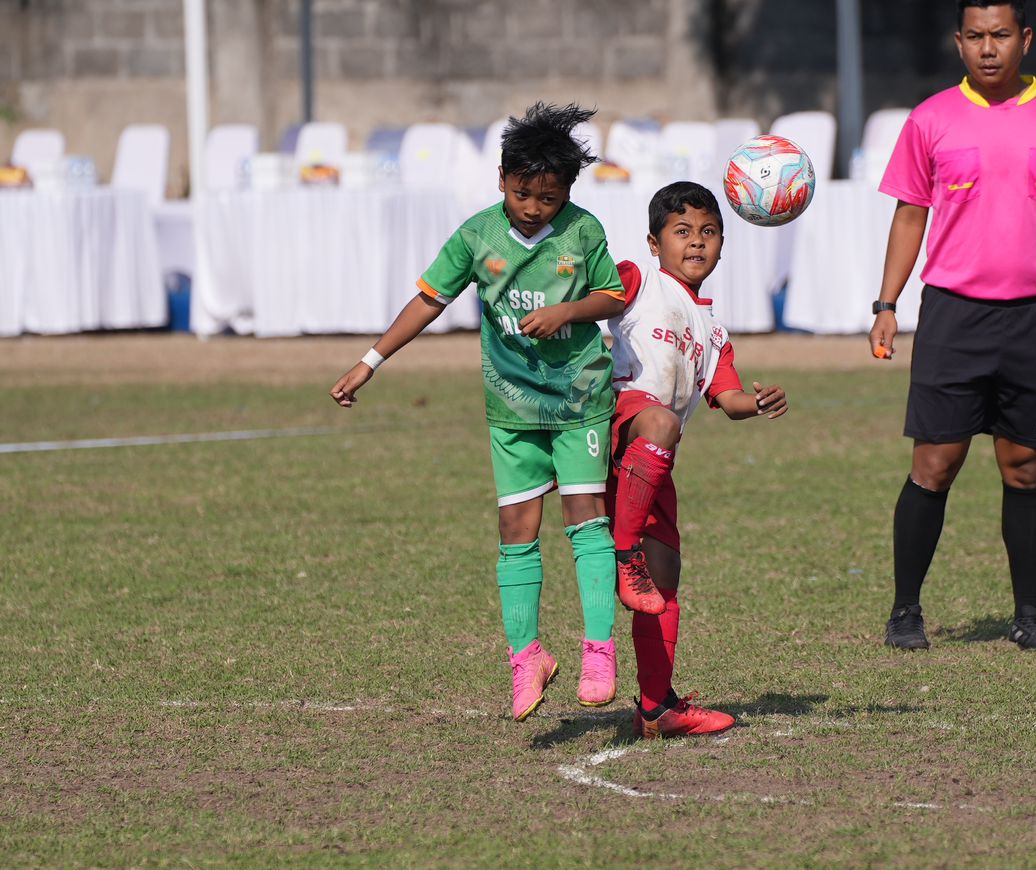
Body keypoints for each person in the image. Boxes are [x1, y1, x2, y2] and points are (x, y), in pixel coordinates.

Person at [329, 103, 650, 722]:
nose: (534, 207)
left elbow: (613, 294)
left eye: (549, 197)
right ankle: (527, 657)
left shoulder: (582, 232)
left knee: (585, 517)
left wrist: (567, 312)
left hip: (579, 399)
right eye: (525, 192)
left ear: (567, 193)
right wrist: (370, 360)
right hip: (511, 408)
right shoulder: (477, 236)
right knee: (515, 533)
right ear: (502, 177)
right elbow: (428, 300)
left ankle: (598, 649)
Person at [868, 0, 1036, 652]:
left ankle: (1029, 616)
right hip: (953, 315)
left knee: (1024, 467)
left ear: (1025, 38)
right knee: (934, 464)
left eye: (1000, 35)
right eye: (975, 37)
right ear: (959, 42)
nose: (988, 49)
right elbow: (909, 214)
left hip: (1034, 317)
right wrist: (887, 304)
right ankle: (905, 612)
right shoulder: (930, 119)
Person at [605, 182, 788, 738]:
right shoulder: (640, 279)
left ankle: (657, 708)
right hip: (623, 431)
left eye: (708, 232)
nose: (697, 242)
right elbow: (596, 295)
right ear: (654, 243)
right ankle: (621, 555)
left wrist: (755, 403)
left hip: (655, 465)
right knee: (659, 418)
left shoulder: (713, 331)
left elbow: (727, 398)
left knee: (664, 580)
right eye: (682, 232)